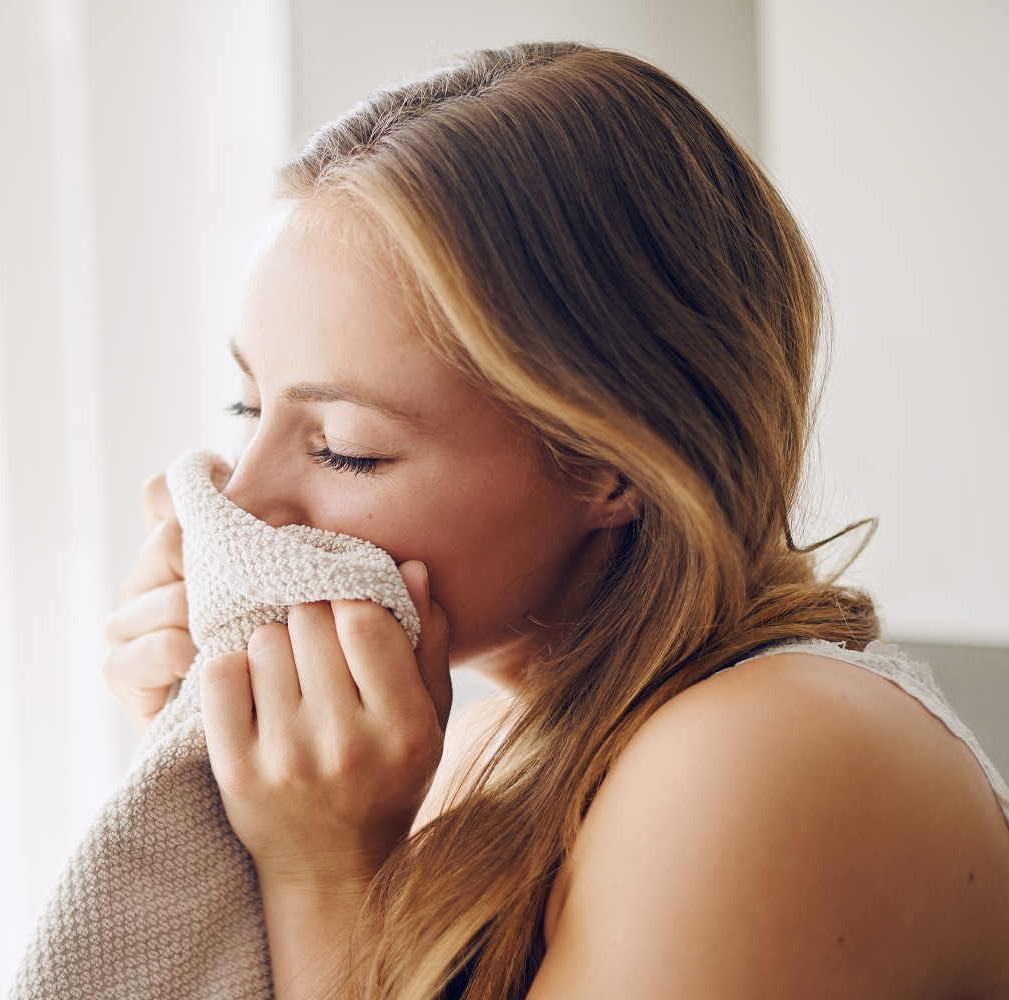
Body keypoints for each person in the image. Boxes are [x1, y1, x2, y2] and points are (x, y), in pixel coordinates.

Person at [101, 42, 1009, 999]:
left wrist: (320, 871)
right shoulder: (475, 752)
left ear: (611, 460)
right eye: (248, 409)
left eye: (346, 447)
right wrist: (217, 763)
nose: (240, 501)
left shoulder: (768, 755)